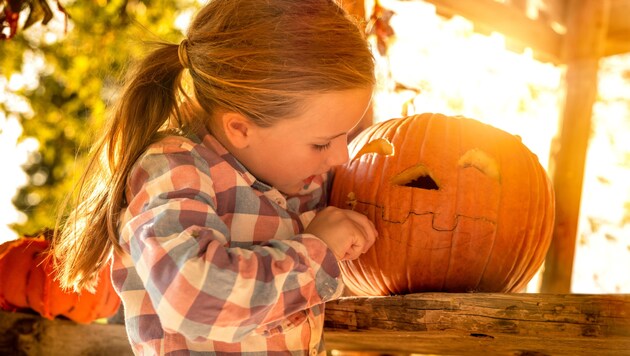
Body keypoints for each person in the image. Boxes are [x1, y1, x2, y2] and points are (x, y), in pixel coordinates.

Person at [52, 0, 377, 354]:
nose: (342, 155)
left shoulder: (303, 179)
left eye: (346, 135)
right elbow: (192, 298)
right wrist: (319, 252)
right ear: (240, 128)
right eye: (322, 143)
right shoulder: (176, 171)